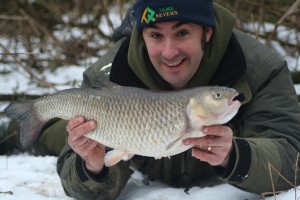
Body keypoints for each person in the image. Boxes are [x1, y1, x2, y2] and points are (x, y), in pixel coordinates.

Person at [6, 0, 300, 199]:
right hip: (109, 117)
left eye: (182, 32)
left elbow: (292, 156)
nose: (169, 52)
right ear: (141, 36)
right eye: (156, 35)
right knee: (47, 134)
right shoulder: (107, 74)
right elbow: (78, 180)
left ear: (207, 32)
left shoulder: (262, 68)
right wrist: (93, 166)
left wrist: (235, 156)